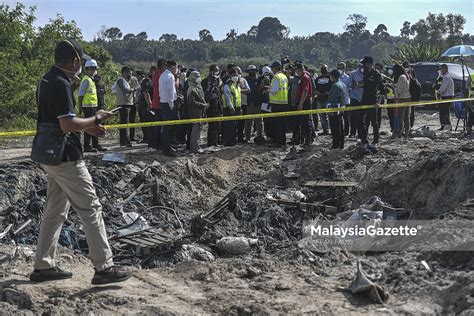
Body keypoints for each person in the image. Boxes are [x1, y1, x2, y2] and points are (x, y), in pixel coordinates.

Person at [30, 39, 130, 284]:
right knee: (91, 208)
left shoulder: (47, 80)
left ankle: (43, 265)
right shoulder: (62, 83)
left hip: (49, 155)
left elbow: (58, 122)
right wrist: (94, 119)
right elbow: (66, 124)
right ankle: (104, 267)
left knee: (54, 211)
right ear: (75, 61)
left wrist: (88, 128)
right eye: (80, 62)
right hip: (65, 157)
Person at [77, 59, 107, 152]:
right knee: (90, 126)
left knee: (95, 125)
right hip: (88, 107)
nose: (95, 71)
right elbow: (80, 94)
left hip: (93, 106)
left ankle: (95, 144)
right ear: (91, 69)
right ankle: (87, 146)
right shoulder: (86, 80)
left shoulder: (91, 79)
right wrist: (80, 107)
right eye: (94, 69)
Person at [359, 56, 384, 144]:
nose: (364, 65)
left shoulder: (376, 74)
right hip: (364, 98)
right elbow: (366, 85)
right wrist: (359, 85)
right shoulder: (365, 73)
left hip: (373, 99)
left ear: (369, 64)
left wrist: (378, 102)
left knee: (374, 121)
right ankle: (364, 138)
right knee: (361, 119)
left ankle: (376, 140)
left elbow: (382, 89)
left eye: (365, 64)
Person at [159, 60, 179, 157]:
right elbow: (170, 92)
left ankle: (168, 146)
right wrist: (172, 105)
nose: (177, 69)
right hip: (168, 104)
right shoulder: (170, 76)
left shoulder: (162, 75)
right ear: (173, 67)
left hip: (163, 102)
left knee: (167, 127)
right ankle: (167, 149)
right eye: (176, 67)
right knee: (167, 128)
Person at [187, 71, 209, 153]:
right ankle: (194, 147)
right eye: (197, 77)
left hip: (199, 112)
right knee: (195, 130)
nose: (199, 78)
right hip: (194, 112)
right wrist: (203, 105)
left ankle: (197, 145)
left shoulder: (198, 87)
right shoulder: (191, 89)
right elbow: (192, 102)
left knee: (198, 129)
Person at [269, 61, 289, 148]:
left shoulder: (276, 77)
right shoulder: (284, 77)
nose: (271, 70)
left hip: (276, 103)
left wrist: (268, 90)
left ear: (275, 68)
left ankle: (279, 142)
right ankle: (283, 141)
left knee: (277, 124)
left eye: (272, 68)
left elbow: (275, 90)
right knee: (283, 123)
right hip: (284, 102)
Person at [293, 62, 313, 147]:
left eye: (296, 70)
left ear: (299, 69)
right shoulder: (301, 77)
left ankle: (308, 141)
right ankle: (302, 140)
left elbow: (305, 91)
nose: (295, 72)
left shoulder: (305, 78)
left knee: (306, 121)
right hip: (301, 101)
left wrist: (301, 103)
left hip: (305, 102)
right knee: (301, 121)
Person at [202, 64, 223, 147]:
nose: (217, 72)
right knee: (212, 125)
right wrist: (210, 96)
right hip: (210, 106)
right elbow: (203, 94)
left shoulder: (218, 81)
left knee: (217, 125)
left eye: (218, 70)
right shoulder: (205, 82)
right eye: (215, 70)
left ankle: (216, 141)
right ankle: (211, 142)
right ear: (211, 71)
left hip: (218, 105)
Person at [114, 66, 136, 147]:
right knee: (125, 123)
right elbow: (125, 90)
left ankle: (123, 141)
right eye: (129, 74)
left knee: (124, 123)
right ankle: (126, 141)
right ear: (124, 73)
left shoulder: (125, 81)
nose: (130, 76)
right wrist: (133, 89)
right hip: (124, 104)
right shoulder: (121, 80)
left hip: (126, 104)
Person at [222, 68, 241, 146]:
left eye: (236, 75)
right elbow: (228, 97)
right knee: (229, 126)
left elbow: (238, 97)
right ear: (230, 76)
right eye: (233, 75)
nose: (235, 76)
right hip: (229, 108)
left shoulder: (236, 85)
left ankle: (233, 140)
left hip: (237, 108)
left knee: (235, 125)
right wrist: (231, 107)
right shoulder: (228, 85)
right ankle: (228, 142)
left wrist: (240, 108)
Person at [150, 59, 167, 149]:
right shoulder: (161, 75)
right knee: (162, 125)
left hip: (156, 102)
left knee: (158, 125)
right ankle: (159, 143)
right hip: (160, 102)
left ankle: (156, 143)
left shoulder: (155, 74)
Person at [327, 69, 346, 149]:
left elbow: (334, 99)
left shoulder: (335, 85)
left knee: (335, 128)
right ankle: (341, 144)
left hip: (335, 109)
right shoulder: (342, 83)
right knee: (340, 127)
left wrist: (331, 110)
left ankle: (336, 144)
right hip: (340, 108)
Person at [392, 64, 411, 140]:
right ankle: (406, 134)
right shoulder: (406, 76)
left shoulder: (401, 77)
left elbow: (399, 90)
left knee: (400, 117)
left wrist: (394, 88)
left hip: (402, 98)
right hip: (408, 98)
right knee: (406, 117)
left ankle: (400, 134)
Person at [243, 65, 262, 142]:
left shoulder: (260, 79)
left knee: (259, 121)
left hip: (258, 103)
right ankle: (247, 137)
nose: (251, 72)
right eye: (250, 71)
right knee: (248, 122)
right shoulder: (245, 80)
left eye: (252, 71)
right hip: (248, 103)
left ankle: (260, 136)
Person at [138, 66, 156, 146]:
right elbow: (146, 93)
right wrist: (149, 103)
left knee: (152, 123)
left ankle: (150, 140)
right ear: (152, 72)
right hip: (146, 105)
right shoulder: (146, 81)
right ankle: (150, 141)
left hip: (150, 104)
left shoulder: (153, 80)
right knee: (148, 123)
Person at [315, 65, 332, 135]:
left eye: (324, 68)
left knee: (330, 115)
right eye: (322, 68)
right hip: (320, 99)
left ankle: (331, 129)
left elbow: (333, 86)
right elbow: (315, 86)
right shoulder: (318, 78)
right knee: (322, 115)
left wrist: (329, 92)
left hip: (328, 99)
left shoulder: (330, 77)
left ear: (327, 69)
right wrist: (317, 92)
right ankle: (325, 130)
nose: (323, 69)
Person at [436, 64, 454, 131]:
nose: (440, 70)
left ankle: (447, 126)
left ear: (444, 69)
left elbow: (443, 87)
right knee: (444, 112)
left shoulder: (446, 77)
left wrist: (439, 92)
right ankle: (444, 126)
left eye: (441, 69)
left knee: (444, 112)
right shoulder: (445, 76)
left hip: (446, 96)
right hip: (446, 96)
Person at [349, 63, 364, 138]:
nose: (362, 67)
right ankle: (352, 133)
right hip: (355, 97)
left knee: (361, 117)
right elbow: (349, 84)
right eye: (361, 66)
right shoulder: (353, 73)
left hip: (364, 97)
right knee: (353, 116)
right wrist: (354, 84)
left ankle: (361, 133)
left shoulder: (368, 73)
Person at [337, 62, 351, 136]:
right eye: (338, 68)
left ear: (344, 69)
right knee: (338, 118)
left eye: (341, 68)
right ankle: (339, 132)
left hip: (345, 100)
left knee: (346, 118)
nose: (339, 69)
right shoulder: (336, 77)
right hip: (337, 101)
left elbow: (349, 89)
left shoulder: (347, 78)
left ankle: (346, 132)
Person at [128, 71, 140, 142]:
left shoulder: (134, 79)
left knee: (132, 120)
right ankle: (128, 137)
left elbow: (138, 88)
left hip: (133, 102)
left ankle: (131, 137)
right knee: (129, 120)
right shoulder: (122, 80)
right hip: (129, 102)